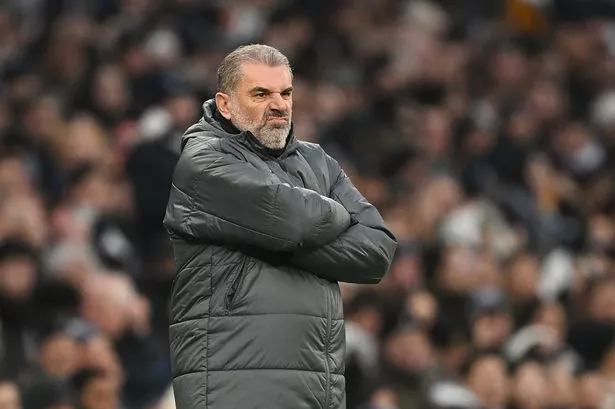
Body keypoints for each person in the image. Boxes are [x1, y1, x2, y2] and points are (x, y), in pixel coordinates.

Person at [163, 44, 397, 409]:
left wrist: (283, 232)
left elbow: (377, 251)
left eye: (285, 93)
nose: (279, 104)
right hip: (235, 386)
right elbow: (292, 220)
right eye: (261, 94)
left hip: (317, 387)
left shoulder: (318, 160)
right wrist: (335, 213)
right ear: (225, 104)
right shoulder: (203, 163)